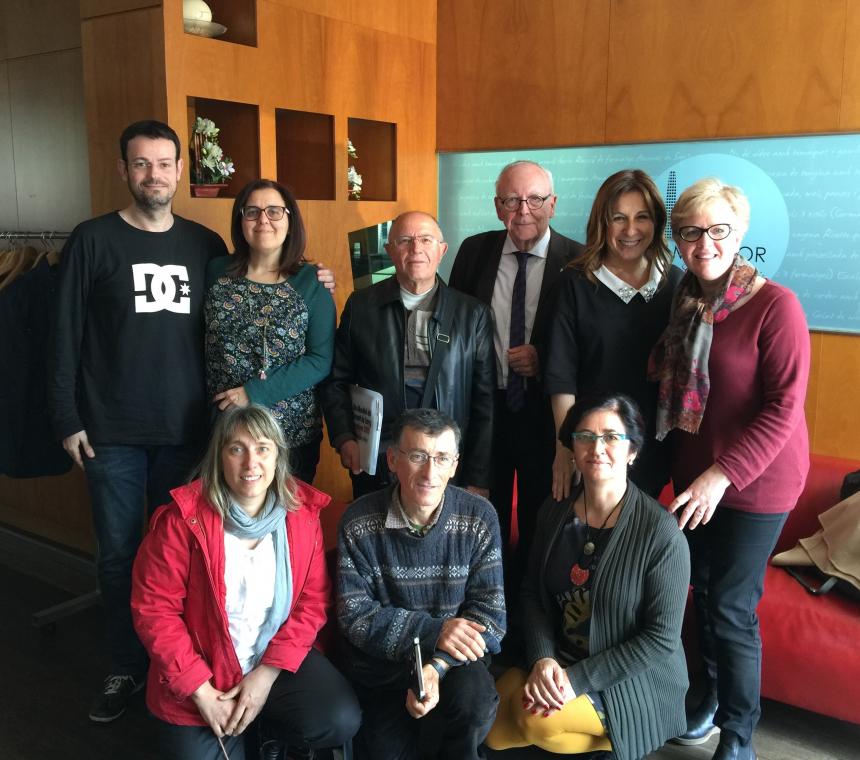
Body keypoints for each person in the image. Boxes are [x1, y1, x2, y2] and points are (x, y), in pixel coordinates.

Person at [48, 120, 229, 722]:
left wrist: (312, 278)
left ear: (180, 169)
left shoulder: (205, 246)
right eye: (142, 164)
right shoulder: (92, 240)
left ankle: (175, 667)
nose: (155, 175)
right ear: (124, 171)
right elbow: (61, 337)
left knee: (183, 558)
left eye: (164, 163)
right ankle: (126, 665)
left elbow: (252, 298)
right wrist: (66, 418)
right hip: (111, 435)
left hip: (188, 436)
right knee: (121, 556)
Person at [649, 178, 810, 760]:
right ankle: (708, 700)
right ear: (678, 238)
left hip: (757, 485)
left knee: (731, 607)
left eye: (718, 230)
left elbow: (784, 408)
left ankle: (740, 735)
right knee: (695, 592)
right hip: (696, 481)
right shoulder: (683, 300)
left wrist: (722, 475)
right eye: (690, 231)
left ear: (739, 235)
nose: (705, 242)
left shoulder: (776, 305)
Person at [131, 405, 361, 760]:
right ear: (219, 457)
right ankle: (242, 725)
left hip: (273, 658)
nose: (251, 463)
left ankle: (265, 726)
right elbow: (155, 612)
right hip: (203, 670)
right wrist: (201, 693)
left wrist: (265, 676)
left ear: (277, 457)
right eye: (237, 449)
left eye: (263, 448)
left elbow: (311, 603)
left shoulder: (300, 515)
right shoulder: (181, 521)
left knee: (338, 718)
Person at [486, 393, 690, 760]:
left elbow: (660, 640)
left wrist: (574, 682)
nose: (597, 447)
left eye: (612, 436)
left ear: (632, 451)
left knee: (536, 722)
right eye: (585, 436)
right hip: (561, 660)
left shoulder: (661, 534)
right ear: (573, 448)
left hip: (629, 679)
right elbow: (532, 593)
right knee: (489, 727)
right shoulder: (554, 512)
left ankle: (615, 744)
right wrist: (543, 660)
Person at [448, 159, 584, 601]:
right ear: (496, 205)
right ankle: (486, 609)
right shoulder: (474, 252)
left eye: (535, 199)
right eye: (511, 199)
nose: (523, 210)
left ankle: (532, 616)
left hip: (545, 415)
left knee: (541, 516)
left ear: (553, 204)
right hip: (485, 409)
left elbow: (587, 342)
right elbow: (453, 323)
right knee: (481, 513)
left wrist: (545, 360)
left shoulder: (578, 261)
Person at [336, 408, 506, 760]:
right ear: (393, 460)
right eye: (418, 456)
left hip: (455, 665)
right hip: (386, 667)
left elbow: (491, 618)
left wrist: (436, 665)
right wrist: (435, 631)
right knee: (384, 751)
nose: (430, 472)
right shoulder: (359, 521)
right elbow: (355, 616)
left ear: (455, 465)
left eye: (442, 458)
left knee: (474, 705)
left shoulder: (479, 516)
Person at [322, 211, 495, 499]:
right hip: (379, 460)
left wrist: (477, 476)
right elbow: (336, 379)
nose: (416, 249)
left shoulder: (472, 314)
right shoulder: (362, 306)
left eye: (426, 240)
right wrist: (344, 438)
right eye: (405, 240)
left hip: (445, 463)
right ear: (390, 251)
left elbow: (485, 402)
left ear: (442, 250)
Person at [545, 169, 683, 502]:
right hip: (591, 448)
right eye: (618, 218)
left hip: (653, 448)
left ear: (657, 222)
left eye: (642, 218)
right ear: (601, 223)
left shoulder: (675, 284)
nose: (631, 230)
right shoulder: (575, 283)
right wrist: (568, 446)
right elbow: (561, 377)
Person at [205, 178, 335, 484]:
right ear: (241, 220)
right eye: (252, 211)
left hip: (290, 433)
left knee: (289, 522)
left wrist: (253, 393)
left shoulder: (312, 280)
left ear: (290, 220)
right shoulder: (215, 271)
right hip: (224, 428)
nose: (263, 219)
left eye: (274, 211)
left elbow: (321, 359)